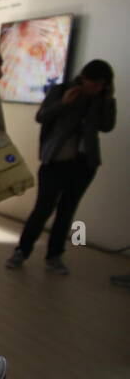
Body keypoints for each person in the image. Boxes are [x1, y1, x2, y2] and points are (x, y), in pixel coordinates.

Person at [6, 59, 116, 274]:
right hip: (56, 160)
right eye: (93, 84)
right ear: (83, 78)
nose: (96, 88)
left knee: (67, 210)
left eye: (101, 85)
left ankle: (54, 256)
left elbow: (107, 126)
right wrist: (63, 103)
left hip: (85, 163)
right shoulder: (62, 90)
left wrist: (107, 100)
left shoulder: (102, 98)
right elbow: (41, 116)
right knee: (43, 208)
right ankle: (21, 251)